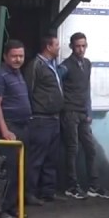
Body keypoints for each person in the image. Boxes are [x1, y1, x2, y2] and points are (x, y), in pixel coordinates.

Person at [60, 32, 109, 199]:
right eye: (78, 46)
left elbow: (87, 88)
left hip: (83, 113)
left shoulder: (87, 64)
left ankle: (94, 186)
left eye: (83, 46)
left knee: (90, 149)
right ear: (72, 47)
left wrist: (89, 111)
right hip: (70, 112)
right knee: (72, 149)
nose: (81, 49)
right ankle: (71, 186)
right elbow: (56, 86)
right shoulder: (65, 66)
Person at [0, 39, 31, 218]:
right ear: (5, 56)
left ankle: (12, 207)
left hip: (22, 127)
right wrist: (4, 131)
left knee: (19, 170)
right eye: (14, 56)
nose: (18, 59)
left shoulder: (18, 74)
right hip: (8, 128)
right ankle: (1, 211)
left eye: (21, 56)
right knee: (7, 171)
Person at [24, 33, 65, 203]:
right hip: (41, 119)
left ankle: (48, 191)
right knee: (36, 158)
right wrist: (32, 113)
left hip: (55, 118)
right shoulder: (36, 65)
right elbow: (29, 89)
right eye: (56, 45)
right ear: (48, 47)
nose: (58, 47)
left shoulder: (53, 65)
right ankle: (30, 193)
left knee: (51, 158)